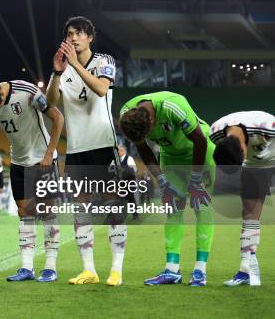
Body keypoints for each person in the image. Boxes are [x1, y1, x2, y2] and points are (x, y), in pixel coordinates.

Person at [46, 16, 126, 286]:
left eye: (79, 33)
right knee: (81, 209)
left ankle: (116, 269)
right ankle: (89, 269)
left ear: (90, 37)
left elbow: (102, 89)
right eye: (70, 33)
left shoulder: (105, 61)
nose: (74, 38)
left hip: (103, 144)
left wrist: (76, 65)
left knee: (113, 206)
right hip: (77, 149)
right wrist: (57, 73)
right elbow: (50, 103)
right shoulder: (64, 66)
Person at [0, 79, 64, 283]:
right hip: (18, 162)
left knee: (48, 213)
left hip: (42, 160)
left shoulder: (26, 91)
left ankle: (50, 267)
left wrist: (49, 155)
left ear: (0, 98)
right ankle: (27, 267)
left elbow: (58, 118)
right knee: (24, 213)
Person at [119, 91, 215, 287]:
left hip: (199, 151)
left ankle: (200, 271)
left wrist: (196, 180)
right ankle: (172, 270)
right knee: (172, 208)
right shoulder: (127, 115)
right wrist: (162, 181)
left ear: (153, 119)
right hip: (171, 156)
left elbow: (200, 140)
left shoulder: (173, 106)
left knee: (202, 206)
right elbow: (143, 148)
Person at [210, 111, 275, 286]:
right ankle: (245, 270)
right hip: (255, 166)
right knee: (249, 214)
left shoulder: (268, 127)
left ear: (243, 148)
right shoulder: (215, 131)